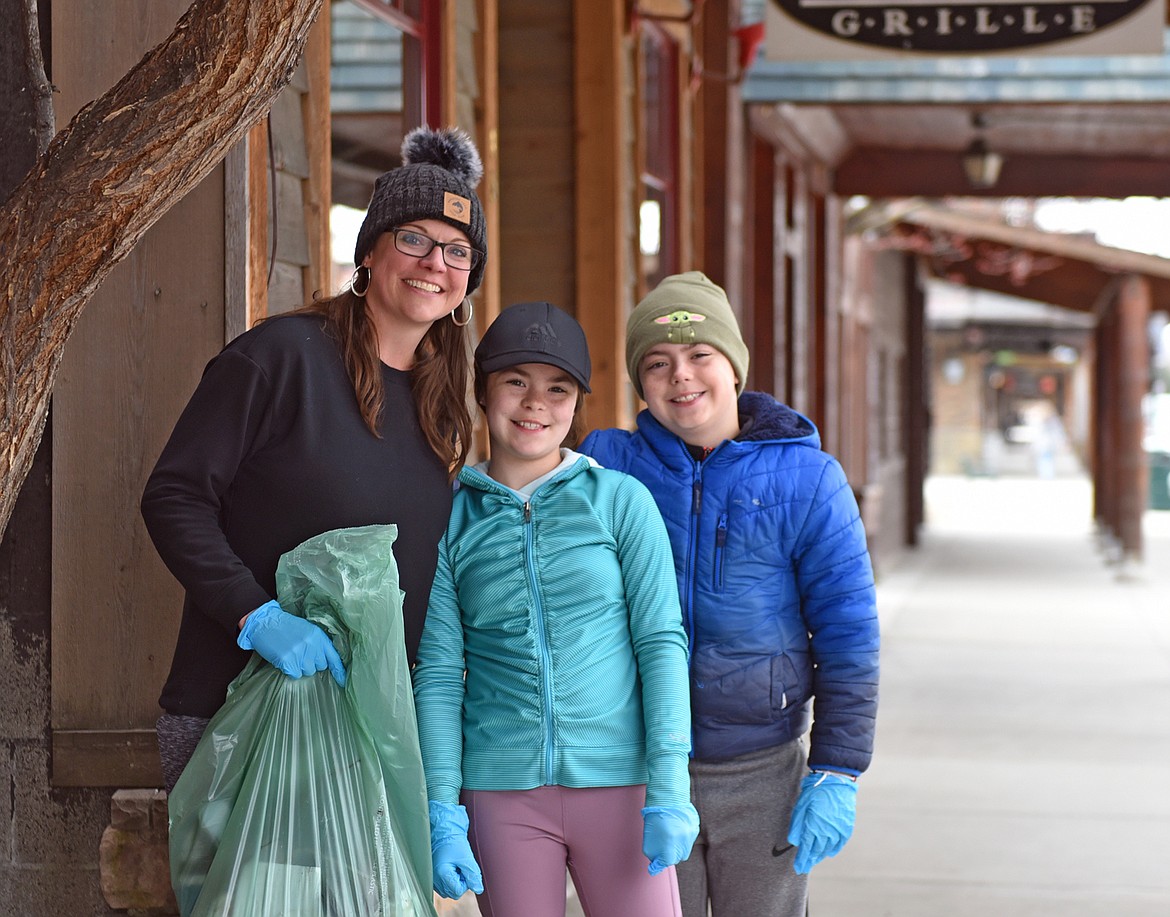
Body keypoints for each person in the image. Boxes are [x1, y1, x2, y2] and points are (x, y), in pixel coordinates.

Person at [140, 125, 487, 794]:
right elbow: (175, 494)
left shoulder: (440, 402)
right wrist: (254, 614)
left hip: (372, 727)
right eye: (412, 239)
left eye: (456, 251)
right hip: (245, 711)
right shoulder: (279, 358)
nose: (433, 263)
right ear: (369, 254)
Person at [579, 271, 880, 917]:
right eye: (657, 363)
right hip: (637, 769)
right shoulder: (604, 467)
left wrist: (837, 768)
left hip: (763, 770)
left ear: (733, 367)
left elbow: (848, 631)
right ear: (640, 383)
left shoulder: (809, 478)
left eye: (699, 355)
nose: (680, 376)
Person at [412, 301, 700, 917]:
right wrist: (441, 807)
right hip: (499, 792)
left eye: (557, 388)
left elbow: (661, 644)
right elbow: (437, 672)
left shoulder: (621, 501)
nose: (535, 403)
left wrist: (670, 786)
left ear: (576, 405)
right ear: (484, 391)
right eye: (516, 381)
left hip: (621, 785)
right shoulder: (451, 515)